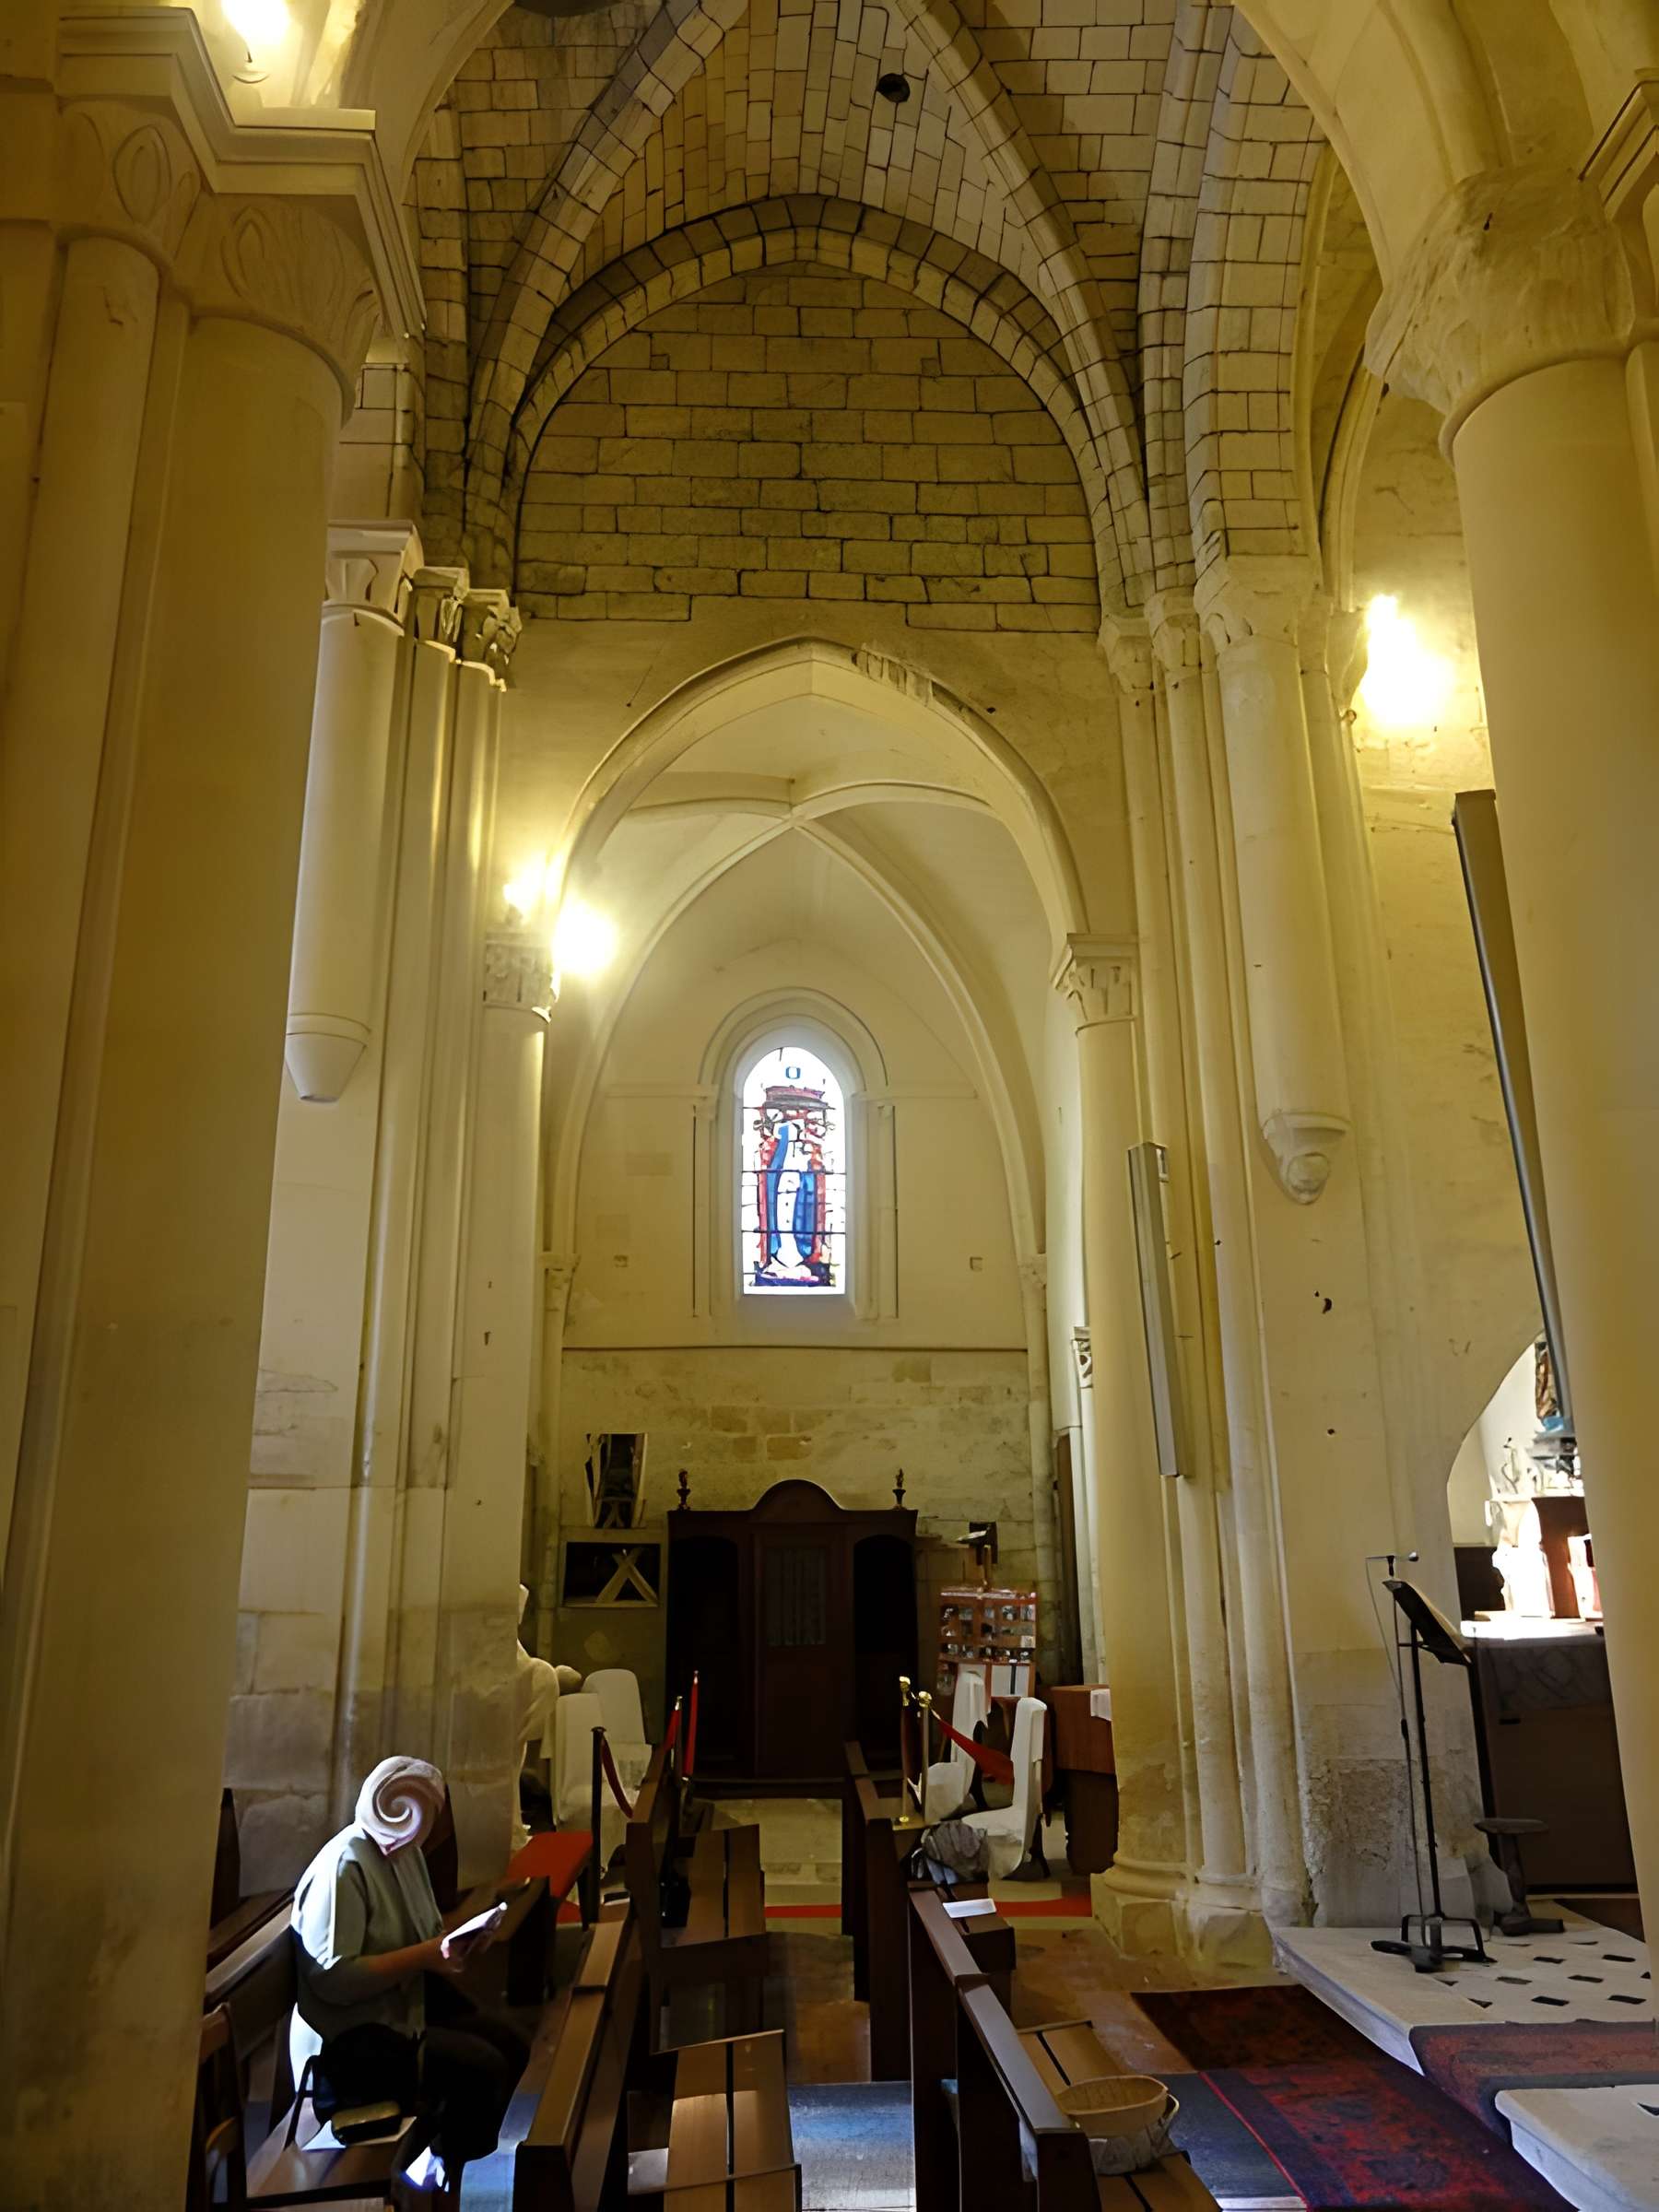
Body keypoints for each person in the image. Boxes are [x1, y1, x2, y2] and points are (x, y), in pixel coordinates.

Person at [288, 1756, 528, 2191]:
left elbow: (428, 1936)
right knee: (482, 2070)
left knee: (512, 2045)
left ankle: (456, 2176)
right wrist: (428, 1954)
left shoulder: (402, 1852)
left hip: (401, 2015)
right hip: (351, 2049)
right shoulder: (346, 1865)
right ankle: (449, 2187)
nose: (435, 1826)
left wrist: (470, 1935)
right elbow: (335, 1978)